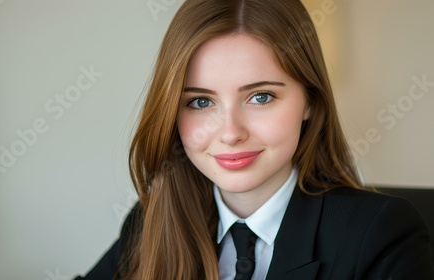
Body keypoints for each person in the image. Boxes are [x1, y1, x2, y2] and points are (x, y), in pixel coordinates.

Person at [75, 0, 434, 279]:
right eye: (200, 102)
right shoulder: (152, 220)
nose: (231, 133)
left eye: (260, 97)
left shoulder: (379, 234)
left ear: (309, 99)